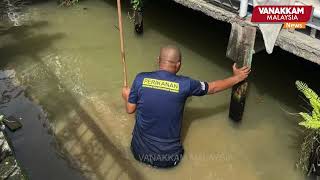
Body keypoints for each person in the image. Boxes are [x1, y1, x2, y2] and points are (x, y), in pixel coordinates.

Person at [122, 45, 250, 168]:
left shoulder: (140, 79)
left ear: (158, 60)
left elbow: (130, 109)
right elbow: (213, 88)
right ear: (178, 65)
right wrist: (237, 77)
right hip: (169, 159)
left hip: (138, 153)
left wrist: (126, 96)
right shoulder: (186, 84)